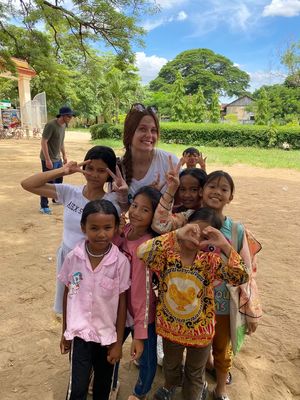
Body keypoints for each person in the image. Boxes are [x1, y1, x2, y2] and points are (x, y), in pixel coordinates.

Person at [151, 170, 262, 400]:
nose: (217, 192)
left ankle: (219, 388)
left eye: (224, 189)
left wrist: (251, 308)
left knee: (221, 348)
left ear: (231, 196)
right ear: (202, 191)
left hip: (222, 301)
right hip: (187, 302)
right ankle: (182, 382)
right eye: (212, 186)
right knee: (183, 348)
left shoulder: (236, 230)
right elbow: (161, 224)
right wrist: (172, 190)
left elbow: (246, 271)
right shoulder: (188, 218)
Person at [137, 208, 249, 400]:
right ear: (184, 227)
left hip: (201, 332)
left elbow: (241, 276)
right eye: (193, 230)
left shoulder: (210, 262)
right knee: (171, 366)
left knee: (195, 372)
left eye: (206, 235)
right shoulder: (167, 255)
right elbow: (142, 252)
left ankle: (194, 394)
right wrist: (175, 234)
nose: (197, 238)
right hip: (169, 328)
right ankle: (170, 385)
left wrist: (225, 246)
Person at [21, 145, 125, 314]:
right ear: (83, 168)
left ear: (109, 174)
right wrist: (62, 171)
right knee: (69, 306)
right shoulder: (70, 193)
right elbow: (27, 184)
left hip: (95, 266)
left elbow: (128, 216)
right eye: (90, 168)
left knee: (90, 309)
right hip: (68, 261)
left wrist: (124, 196)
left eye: (101, 170)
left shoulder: (114, 201)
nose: (94, 174)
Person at [59, 199, 131, 400]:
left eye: (107, 228)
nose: (101, 234)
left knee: (102, 386)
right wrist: (65, 331)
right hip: (79, 334)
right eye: (94, 228)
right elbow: (68, 293)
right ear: (83, 228)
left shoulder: (120, 263)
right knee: (77, 387)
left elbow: (122, 303)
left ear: (116, 228)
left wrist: (117, 342)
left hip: (106, 337)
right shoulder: (74, 257)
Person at [113, 186, 162, 400]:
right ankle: (109, 382)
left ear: (154, 216)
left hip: (143, 314)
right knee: (112, 347)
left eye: (145, 210)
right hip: (119, 308)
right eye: (134, 206)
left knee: (147, 357)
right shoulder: (125, 232)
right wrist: (116, 234)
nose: (135, 212)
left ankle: (139, 392)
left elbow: (143, 293)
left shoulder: (147, 246)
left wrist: (140, 333)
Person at [119, 103, 179, 203]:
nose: (149, 135)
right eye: (142, 129)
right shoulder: (119, 168)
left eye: (153, 130)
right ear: (129, 133)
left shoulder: (169, 162)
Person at [39, 106, 75, 214]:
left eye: (71, 116)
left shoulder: (63, 125)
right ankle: (43, 206)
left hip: (57, 158)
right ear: (62, 115)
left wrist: (64, 155)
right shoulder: (51, 125)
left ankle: (55, 198)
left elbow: (61, 142)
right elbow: (43, 142)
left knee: (59, 179)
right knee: (47, 181)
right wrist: (47, 159)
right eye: (69, 116)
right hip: (49, 158)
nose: (71, 117)